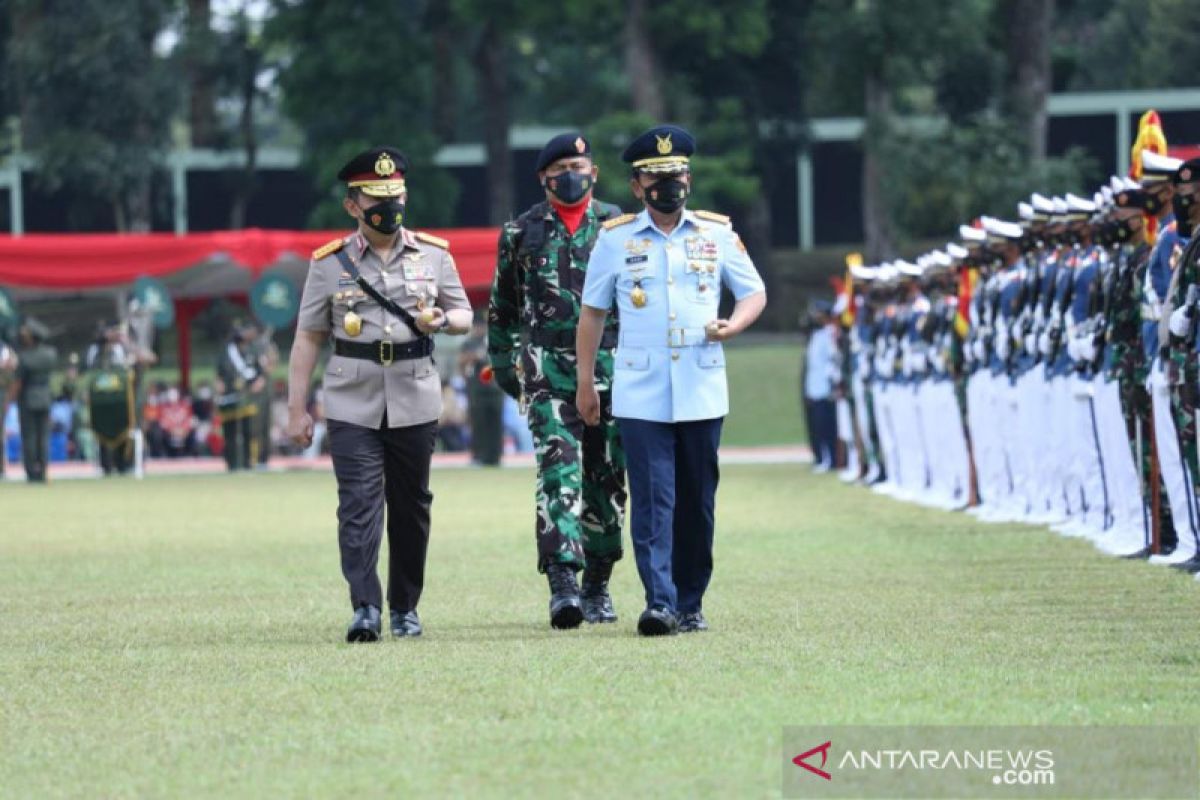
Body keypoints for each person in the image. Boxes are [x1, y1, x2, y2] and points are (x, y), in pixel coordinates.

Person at [576, 124, 767, 635]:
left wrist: (734, 323)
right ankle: (658, 602)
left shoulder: (716, 233)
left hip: (702, 386)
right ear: (637, 187)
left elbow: (753, 293)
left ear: (690, 178)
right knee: (653, 500)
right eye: (655, 177)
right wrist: (585, 381)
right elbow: (592, 313)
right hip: (640, 388)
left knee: (697, 503)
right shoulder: (615, 240)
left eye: (676, 173)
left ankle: (691, 601)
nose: (668, 184)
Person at [286, 145, 472, 642]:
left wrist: (446, 321)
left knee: (411, 504)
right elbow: (307, 336)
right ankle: (365, 606)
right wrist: (296, 408)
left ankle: (405, 607)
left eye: (396, 195)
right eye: (376, 198)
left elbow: (465, 312)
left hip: (415, 392)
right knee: (359, 503)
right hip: (351, 396)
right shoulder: (328, 262)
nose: (388, 206)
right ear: (353, 206)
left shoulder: (434, 254)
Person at [487, 132, 628, 628]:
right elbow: (502, 309)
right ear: (544, 178)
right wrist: (507, 367)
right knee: (558, 470)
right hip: (547, 370)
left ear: (594, 172)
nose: (571, 174)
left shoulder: (620, 226)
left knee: (606, 479)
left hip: (613, 368)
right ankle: (563, 583)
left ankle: (598, 583)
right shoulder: (521, 232)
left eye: (579, 164)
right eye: (561, 167)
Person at [11, 319, 57, 483]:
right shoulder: (50, 354)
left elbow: (18, 382)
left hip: (28, 398)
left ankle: (32, 472)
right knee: (43, 437)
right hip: (45, 397)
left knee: (29, 436)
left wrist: (9, 400)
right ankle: (43, 470)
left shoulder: (24, 357)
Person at [216, 321, 264, 472]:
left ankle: (249, 463)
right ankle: (231, 464)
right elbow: (219, 373)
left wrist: (259, 382)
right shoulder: (226, 351)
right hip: (229, 396)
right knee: (229, 432)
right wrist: (219, 384)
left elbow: (261, 372)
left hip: (247, 395)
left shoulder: (253, 350)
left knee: (249, 431)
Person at [460, 316, 503, 466]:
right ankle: (479, 455)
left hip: (495, 389)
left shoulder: (495, 340)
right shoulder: (469, 343)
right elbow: (462, 362)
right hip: (478, 389)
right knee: (479, 423)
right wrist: (475, 356)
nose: (480, 329)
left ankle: (495, 456)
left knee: (496, 424)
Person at [804, 301, 839, 472]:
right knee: (818, 426)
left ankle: (831, 459)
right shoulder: (816, 335)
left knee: (827, 426)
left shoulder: (830, 333)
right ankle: (823, 457)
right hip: (815, 387)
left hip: (825, 388)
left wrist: (831, 384)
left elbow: (831, 362)